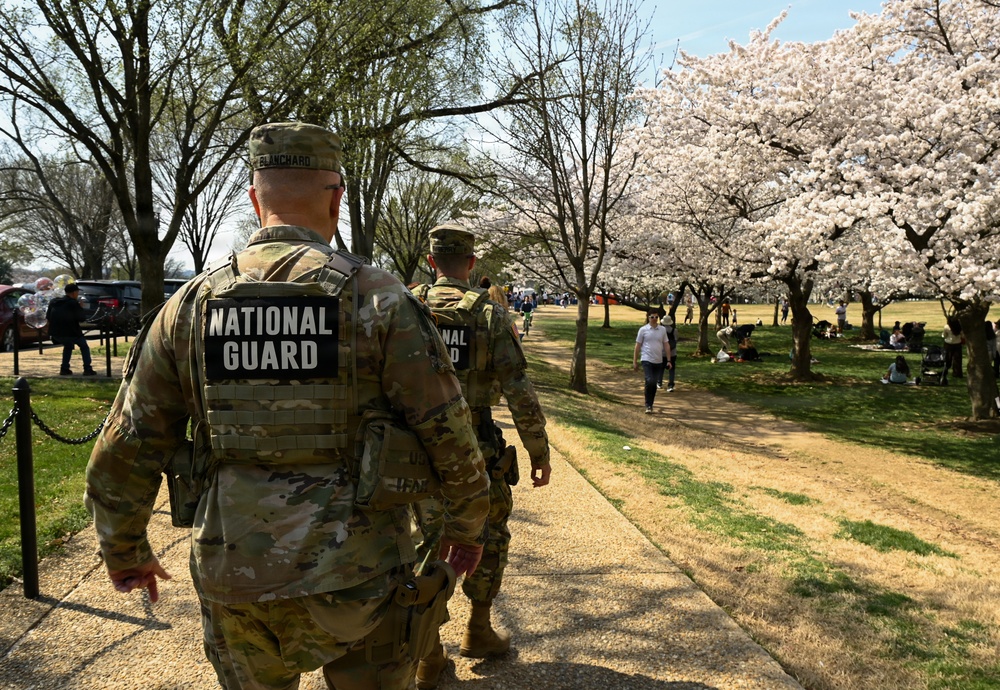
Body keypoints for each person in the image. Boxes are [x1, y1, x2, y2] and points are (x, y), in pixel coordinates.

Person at [84, 122, 490, 690]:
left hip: (234, 571)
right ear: (337, 198)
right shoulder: (379, 299)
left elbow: (127, 445)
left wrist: (125, 550)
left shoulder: (189, 306)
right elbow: (448, 431)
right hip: (361, 575)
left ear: (254, 199)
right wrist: (466, 527)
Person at [411, 224, 551, 688]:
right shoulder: (489, 316)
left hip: (417, 453)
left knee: (427, 542)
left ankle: (428, 654)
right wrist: (538, 450)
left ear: (432, 263)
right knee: (489, 536)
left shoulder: (406, 307)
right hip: (477, 452)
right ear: (472, 265)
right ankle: (479, 627)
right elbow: (519, 390)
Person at [46, 283, 97, 376]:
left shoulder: (53, 302)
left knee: (68, 346)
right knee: (84, 347)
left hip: (55, 334)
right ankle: (87, 369)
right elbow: (81, 318)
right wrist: (80, 307)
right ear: (73, 293)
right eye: (77, 292)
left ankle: (64, 369)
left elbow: (48, 317)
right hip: (71, 333)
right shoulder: (73, 303)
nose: (77, 294)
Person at [634, 312, 672, 414]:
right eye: (652, 317)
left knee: (653, 384)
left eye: (656, 317)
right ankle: (648, 405)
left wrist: (669, 360)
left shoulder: (662, 330)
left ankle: (651, 404)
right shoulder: (643, 330)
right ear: (648, 317)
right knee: (650, 380)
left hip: (658, 360)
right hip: (646, 359)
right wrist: (635, 361)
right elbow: (637, 346)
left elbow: (666, 345)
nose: (654, 319)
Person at [656, 314, 678, 392]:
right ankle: (671, 385)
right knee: (671, 370)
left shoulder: (660, 330)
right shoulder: (674, 330)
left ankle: (659, 382)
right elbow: (675, 340)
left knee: (661, 368)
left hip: (662, 352)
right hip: (672, 353)